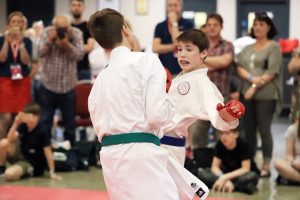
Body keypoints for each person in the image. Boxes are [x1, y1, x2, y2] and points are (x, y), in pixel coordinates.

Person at [87, 8, 179, 200]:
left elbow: (97, 124)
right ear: (125, 29)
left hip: (110, 156)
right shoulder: (146, 60)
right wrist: (172, 98)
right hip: (141, 154)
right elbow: (157, 116)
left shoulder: (100, 79)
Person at [160, 29, 243, 166]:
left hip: (169, 147)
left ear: (203, 53)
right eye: (180, 49)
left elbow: (217, 112)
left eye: (189, 49)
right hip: (159, 144)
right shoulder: (179, 78)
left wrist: (227, 114)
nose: (182, 55)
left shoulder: (202, 83)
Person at [236, 12, 283, 177]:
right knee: (248, 131)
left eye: (261, 24)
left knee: (264, 129)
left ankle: (265, 164)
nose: (257, 27)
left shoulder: (274, 47)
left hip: (266, 95)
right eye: (255, 24)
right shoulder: (247, 48)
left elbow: (272, 72)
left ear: (268, 27)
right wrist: (250, 78)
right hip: (247, 95)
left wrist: (254, 86)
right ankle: (250, 164)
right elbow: (239, 66)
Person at [188, 13, 235, 157]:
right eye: (209, 25)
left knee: (223, 134)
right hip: (201, 98)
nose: (212, 28)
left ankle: (220, 166)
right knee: (197, 134)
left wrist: (202, 59)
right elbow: (192, 66)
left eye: (215, 25)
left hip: (221, 98)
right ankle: (202, 165)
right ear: (205, 27)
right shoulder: (201, 45)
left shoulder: (227, 45)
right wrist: (213, 62)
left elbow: (224, 62)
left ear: (221, 27)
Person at [37, 15, 84, 146]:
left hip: (68, 86)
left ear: (69, 26)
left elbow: (80, 55)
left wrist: (67, 45)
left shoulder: (76, 33)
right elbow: (39, 52)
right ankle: (44, 153)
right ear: (53, 26)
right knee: (45, 122)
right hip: (48, 85)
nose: (61, 31)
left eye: (64, 28)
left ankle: (71, 155)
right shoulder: (47, 32)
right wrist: (49, 40)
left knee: (69, 124)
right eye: (58, 28)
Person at [0, 103, 62, 181]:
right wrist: (16, 123)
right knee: (3, 142)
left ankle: (23, 171)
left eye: (29, 115)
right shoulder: (23, 126)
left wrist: (52, 172)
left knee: (9, 175)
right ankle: (1, 169)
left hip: (30, 162)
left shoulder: (42, 131)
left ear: (36, 117)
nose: (26, 118)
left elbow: (48, 152)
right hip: (21, 155)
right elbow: (9, 139)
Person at [197, 129, 259, 195]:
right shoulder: (219, 145)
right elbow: (214, 167)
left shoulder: (244, 145)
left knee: (253, 175)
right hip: (224, 174)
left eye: (227, 133)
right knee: (201, 173)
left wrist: (225, 178)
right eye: (221, 134)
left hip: (240, 175)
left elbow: (245, 169)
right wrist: (223, 177)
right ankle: (239, 187)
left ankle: (229, 184)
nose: (224, 137)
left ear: (236, 134)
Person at [152, 0, 194, 75]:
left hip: (183, 70)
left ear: (181, 6)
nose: (172, 8)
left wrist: (174, 22)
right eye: (170, 5)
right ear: (167, 7)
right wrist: (175, 46)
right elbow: (155, 48)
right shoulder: (160, 26)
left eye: (175, 5)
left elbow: (176, 40)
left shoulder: (188, 24)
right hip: (164, 70)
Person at [69, 0, 95, 80]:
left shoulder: (88, 26)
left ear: (83, 7)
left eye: (79, 5)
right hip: (68, 69)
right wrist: (82, 47)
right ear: (70, 7)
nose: (76, 8)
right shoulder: (67, 27)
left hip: (84, 69)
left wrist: (69, 46)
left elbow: (90, 47)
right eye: (74, 5)